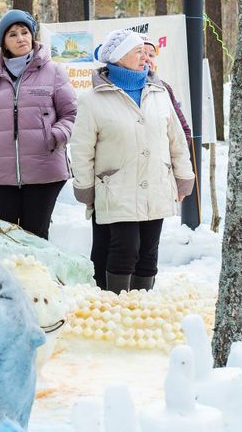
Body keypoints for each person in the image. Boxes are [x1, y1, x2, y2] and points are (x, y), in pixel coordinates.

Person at [70, 29, 195, 293]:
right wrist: (85, 188)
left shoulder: (159, 92)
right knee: (125, 248)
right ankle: (117, 304)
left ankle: (142, 305)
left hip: (156, 183)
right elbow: (81, 149)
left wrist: (184, 177)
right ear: (118, 57)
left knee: (149, 250)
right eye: (138, 52)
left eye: (145, 53)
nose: (145, 57)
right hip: (117, 187)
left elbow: (176, 140)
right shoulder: (92, 99)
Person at [0, 10, 77, 239]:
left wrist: (56, 135)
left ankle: (38, 266)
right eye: (13, 34)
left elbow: (70, 114)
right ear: (4, 43)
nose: (20, 38)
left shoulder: (54, 72)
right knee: (7, 236)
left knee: (36, 235)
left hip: (44, 169)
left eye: (25, 32)